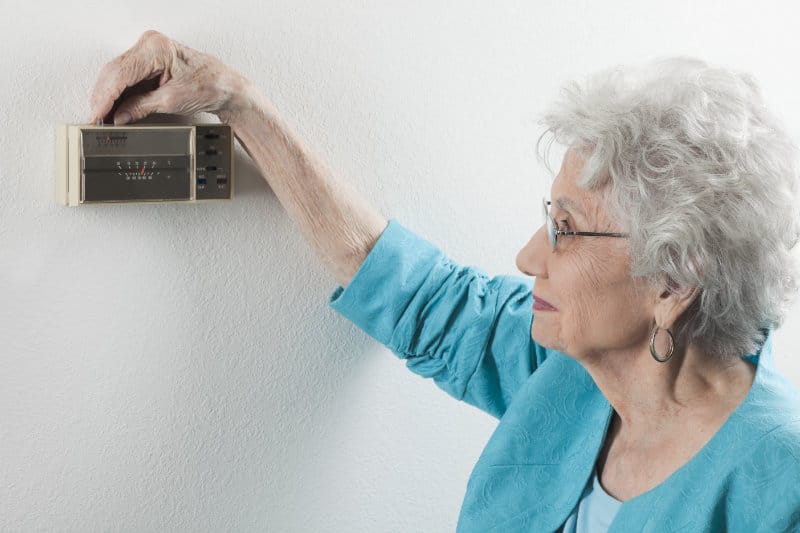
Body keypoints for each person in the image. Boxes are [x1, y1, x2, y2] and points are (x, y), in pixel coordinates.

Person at [88, 30, 800, 532]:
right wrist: (237, 101)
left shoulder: (780, 481)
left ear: (674, 280)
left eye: (567, 229)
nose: (528, 256)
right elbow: (407, 287)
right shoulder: (566, 371)